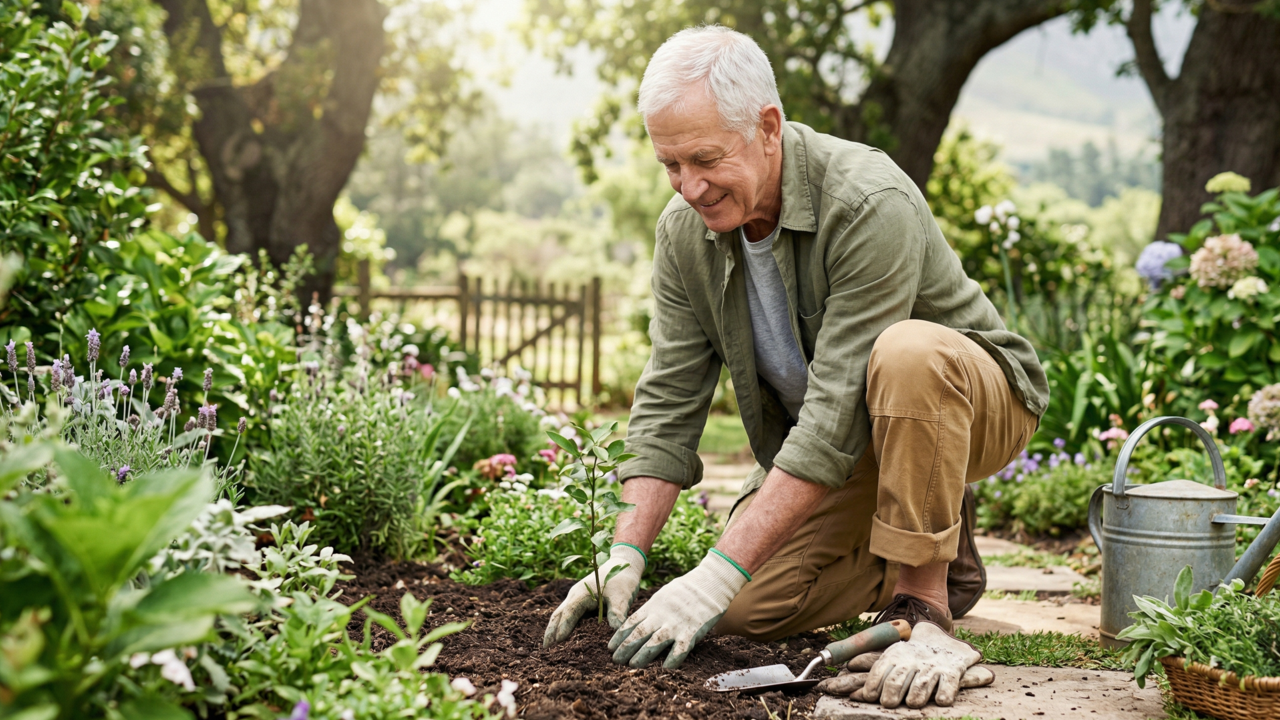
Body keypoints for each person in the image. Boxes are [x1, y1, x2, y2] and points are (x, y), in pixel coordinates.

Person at [542, 25, 1048, 709]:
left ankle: (924, 607)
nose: (688, 186)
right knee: (747, 607)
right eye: (670, 165)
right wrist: (625, 555)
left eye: (703, 158)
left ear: (769, 126)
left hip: (972, 402)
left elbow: (838, 411)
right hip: (855, 436)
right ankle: (941, 551)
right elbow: (667, 401)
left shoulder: (868, 200)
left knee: (907, 353)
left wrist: (713, 570)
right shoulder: (684, 233)